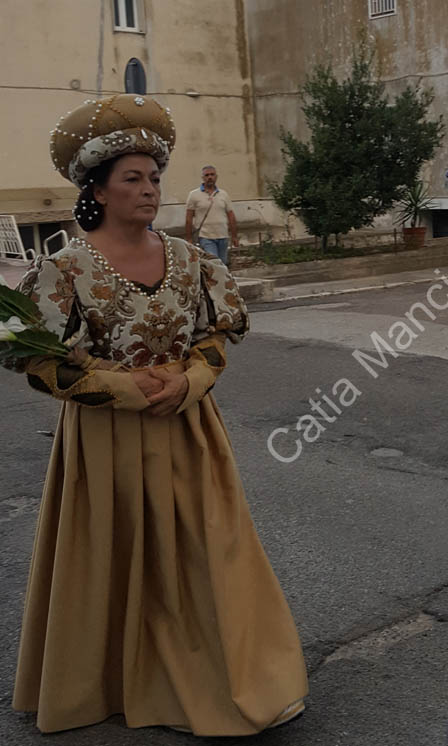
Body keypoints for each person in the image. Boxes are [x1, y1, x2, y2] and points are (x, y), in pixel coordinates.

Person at [5, 94, 307, 735]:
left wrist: (195, 376)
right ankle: (113, 680)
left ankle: (221, 677)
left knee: (208, 552)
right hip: (105, 441)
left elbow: (216, 336)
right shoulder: (62, 270)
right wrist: (126, 388)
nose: (149, 191)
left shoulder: (191, 260)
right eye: (132, 179)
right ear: (98, 190)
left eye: (154, 178)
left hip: (189, 432)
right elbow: (40, 363)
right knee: (112, 558)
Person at [185, 165, 238, 265]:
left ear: (216, 177)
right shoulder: (194, 195)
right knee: (214, 264)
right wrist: (189, 238)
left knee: (223, 264)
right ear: (203, 178)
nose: (210, 177)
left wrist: (234, 236)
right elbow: (189, 218)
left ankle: (221, 281)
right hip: (205, 236)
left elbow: (231, 215)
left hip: (223, 236)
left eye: (212, 175)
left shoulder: (223, 194)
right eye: (207, 175)